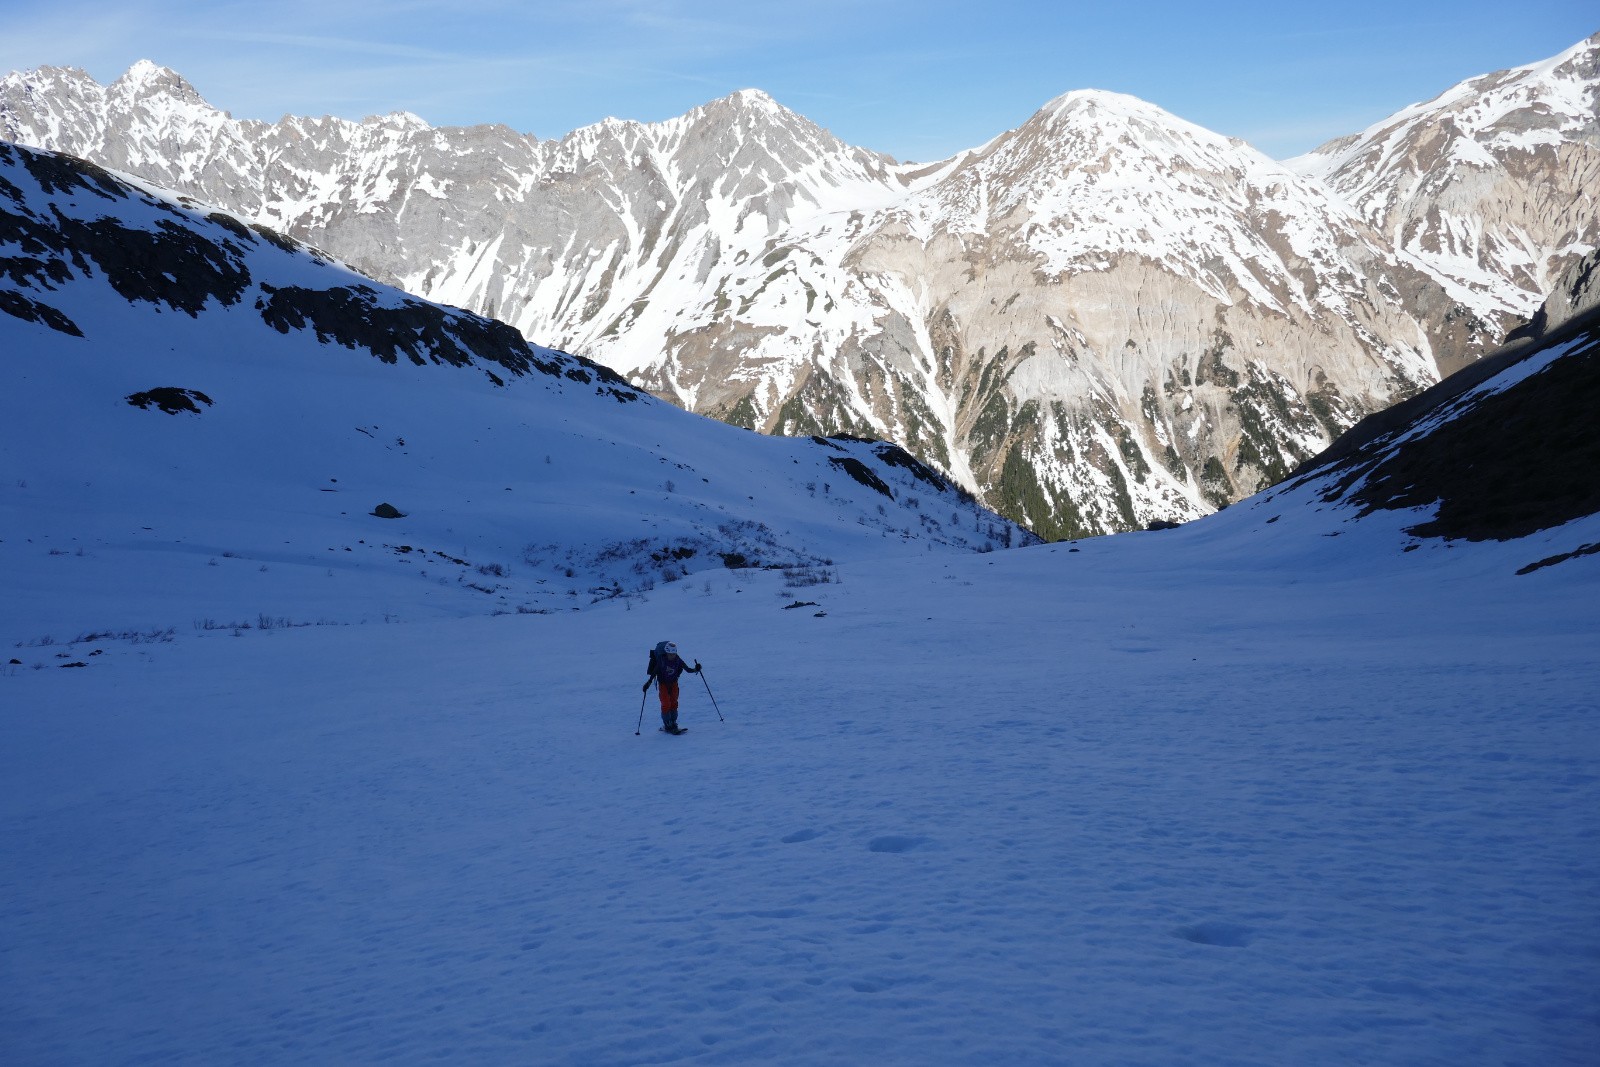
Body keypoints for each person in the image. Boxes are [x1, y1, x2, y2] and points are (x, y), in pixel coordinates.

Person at [644, 640, 700, 734]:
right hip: (663, 684)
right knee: (666, 703)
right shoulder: (662, 660)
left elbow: (687, 669)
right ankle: (667, 724)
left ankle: (673, 722)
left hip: (674, 683)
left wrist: (696, 669)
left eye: (673, 653)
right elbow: (654, 672)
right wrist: (648, 683)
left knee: (674, 702)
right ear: (666, 652)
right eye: (670, 654)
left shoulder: (678, 659)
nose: (672, 656)